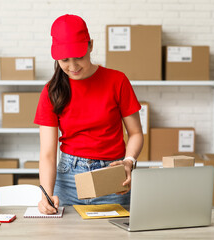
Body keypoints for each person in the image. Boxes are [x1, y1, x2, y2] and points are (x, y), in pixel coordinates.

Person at [35, 14, 143, 215]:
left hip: (113, 176)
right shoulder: (52, 91)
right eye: (65, 60)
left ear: (90, 46)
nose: (73, 67)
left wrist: (129, 161)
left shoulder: (117, 81)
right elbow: (48, 154)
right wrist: (46, 195)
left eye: (79, 57)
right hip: (68, 180)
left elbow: (136, 133)